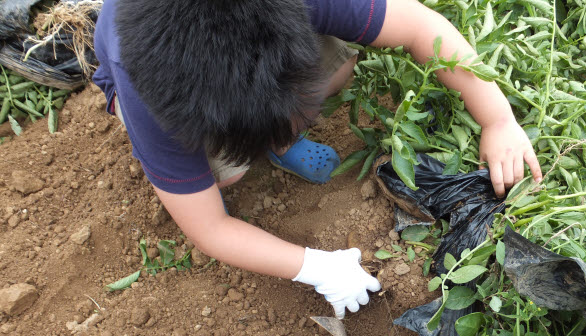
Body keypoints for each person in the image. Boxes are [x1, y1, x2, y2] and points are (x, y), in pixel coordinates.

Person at [92, 0, 542, 319]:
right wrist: (313, 267)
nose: (302, 119)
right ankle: (249, 148)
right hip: (151, 77)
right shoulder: (152, 103)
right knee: (225, 175)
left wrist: (498, 119)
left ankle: (274, 140)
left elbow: (422, 27)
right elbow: (208, 227)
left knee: (342, 64)